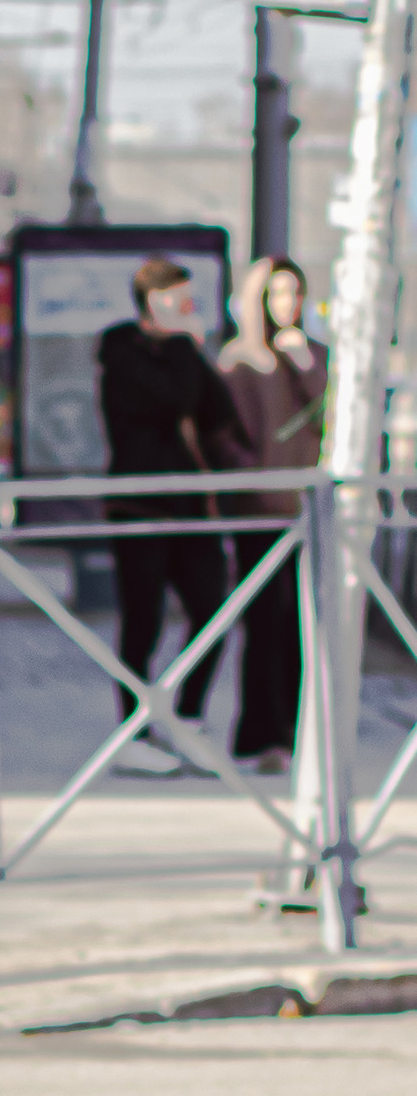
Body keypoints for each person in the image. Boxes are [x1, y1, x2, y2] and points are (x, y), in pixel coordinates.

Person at [98, 255, 240, 773]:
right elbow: (170, 400)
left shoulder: (184, 350)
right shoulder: (119, 350)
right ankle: (133, 729)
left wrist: (191, 350)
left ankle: (189, 719)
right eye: (176, 299)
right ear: (150, 301)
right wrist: (184, 347)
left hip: (189, 504)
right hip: (138, 502)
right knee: (144, 618)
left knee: (213, 610)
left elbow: (218, 410)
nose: (186, 309)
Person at [219, 254, 328, 770]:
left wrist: (306, 364)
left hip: (312, 511)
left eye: (297, 293)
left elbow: (332, 418)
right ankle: (261, 735)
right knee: (266, 621)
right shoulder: (240, 361)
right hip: (261, 510)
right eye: (280, 293)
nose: (290, 304)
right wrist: (253, 481)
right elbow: (226, 435)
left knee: (307, 622)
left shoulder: (313, 355)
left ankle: (300, 728)